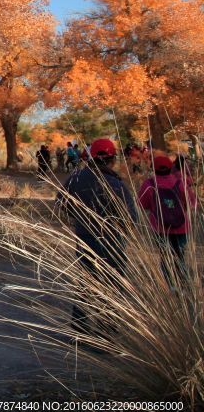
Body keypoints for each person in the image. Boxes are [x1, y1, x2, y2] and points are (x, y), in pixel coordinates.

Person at [56, 138, 137, 336]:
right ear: (112, 158)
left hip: (85, 238)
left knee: (84, 284)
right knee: (111, 285)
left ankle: (79, 331)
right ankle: (106, 334)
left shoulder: (77, 177)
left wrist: (78, 215)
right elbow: (131, 218)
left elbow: (61, 201)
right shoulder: (115, 182)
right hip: (113, 241)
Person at [137, 154, 197, 280]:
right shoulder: (180, 183)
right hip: (181, 227)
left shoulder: (149, 184)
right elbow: (191, 203)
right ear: (171, 167)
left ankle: (171, 285)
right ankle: (183, 281)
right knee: (179, 254)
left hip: (160, 228)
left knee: (165, 256)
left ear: (154, 168)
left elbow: (141, 204)